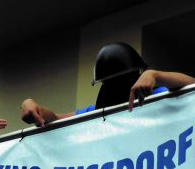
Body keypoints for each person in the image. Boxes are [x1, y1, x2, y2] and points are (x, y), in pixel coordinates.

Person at [20, 42, 186, 126]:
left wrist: (155, 75)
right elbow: (56, 119)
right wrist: (33, 107)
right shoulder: (99, 112)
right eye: (111, 83)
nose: (118, 87)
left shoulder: (157, 97)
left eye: (124, 79)